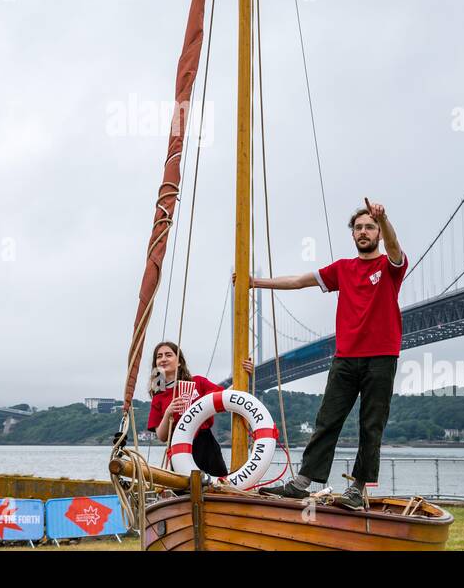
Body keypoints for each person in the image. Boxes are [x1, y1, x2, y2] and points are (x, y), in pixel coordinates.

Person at [252, 199, 407, 510]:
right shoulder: (343, 269)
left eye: (370, 227)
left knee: (371, 424)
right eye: (359, 228)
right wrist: (255, 283)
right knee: (327, 420)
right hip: (346, 357)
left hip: (381, 357)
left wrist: (385, 218)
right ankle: (302, 483)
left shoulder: (390, 268)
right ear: (352, 235)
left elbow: (394, 249)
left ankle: (357, 490)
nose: (364, 231)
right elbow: (298, 282)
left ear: (378, 232)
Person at [147, 341, 253, 479]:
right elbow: (161, 436)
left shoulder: (198, 382)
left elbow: (226, 396)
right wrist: (168, 413)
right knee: (185, 492)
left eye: (168, 355)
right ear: (156, 364)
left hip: (207, 445)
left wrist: (244, 376)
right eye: (159, 356)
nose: (163, 359)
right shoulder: (158, 396)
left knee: (219, 488)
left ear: (179, 362)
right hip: (179, 449)